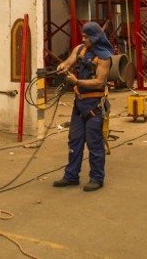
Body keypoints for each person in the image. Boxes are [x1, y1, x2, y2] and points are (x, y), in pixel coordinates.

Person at [53, 21, 113, 192]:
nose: (83, 39)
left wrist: (77, 81)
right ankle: (71, 176)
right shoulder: (80, 49)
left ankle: (97, 178)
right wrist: (63, 66)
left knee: (94, 143)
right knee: (75, 140)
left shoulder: (104, 57)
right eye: (83, 36)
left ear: (95, 37)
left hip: (95, 105)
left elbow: (99, 82)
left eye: (86, 37)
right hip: (79, 105)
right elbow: (70, 61)